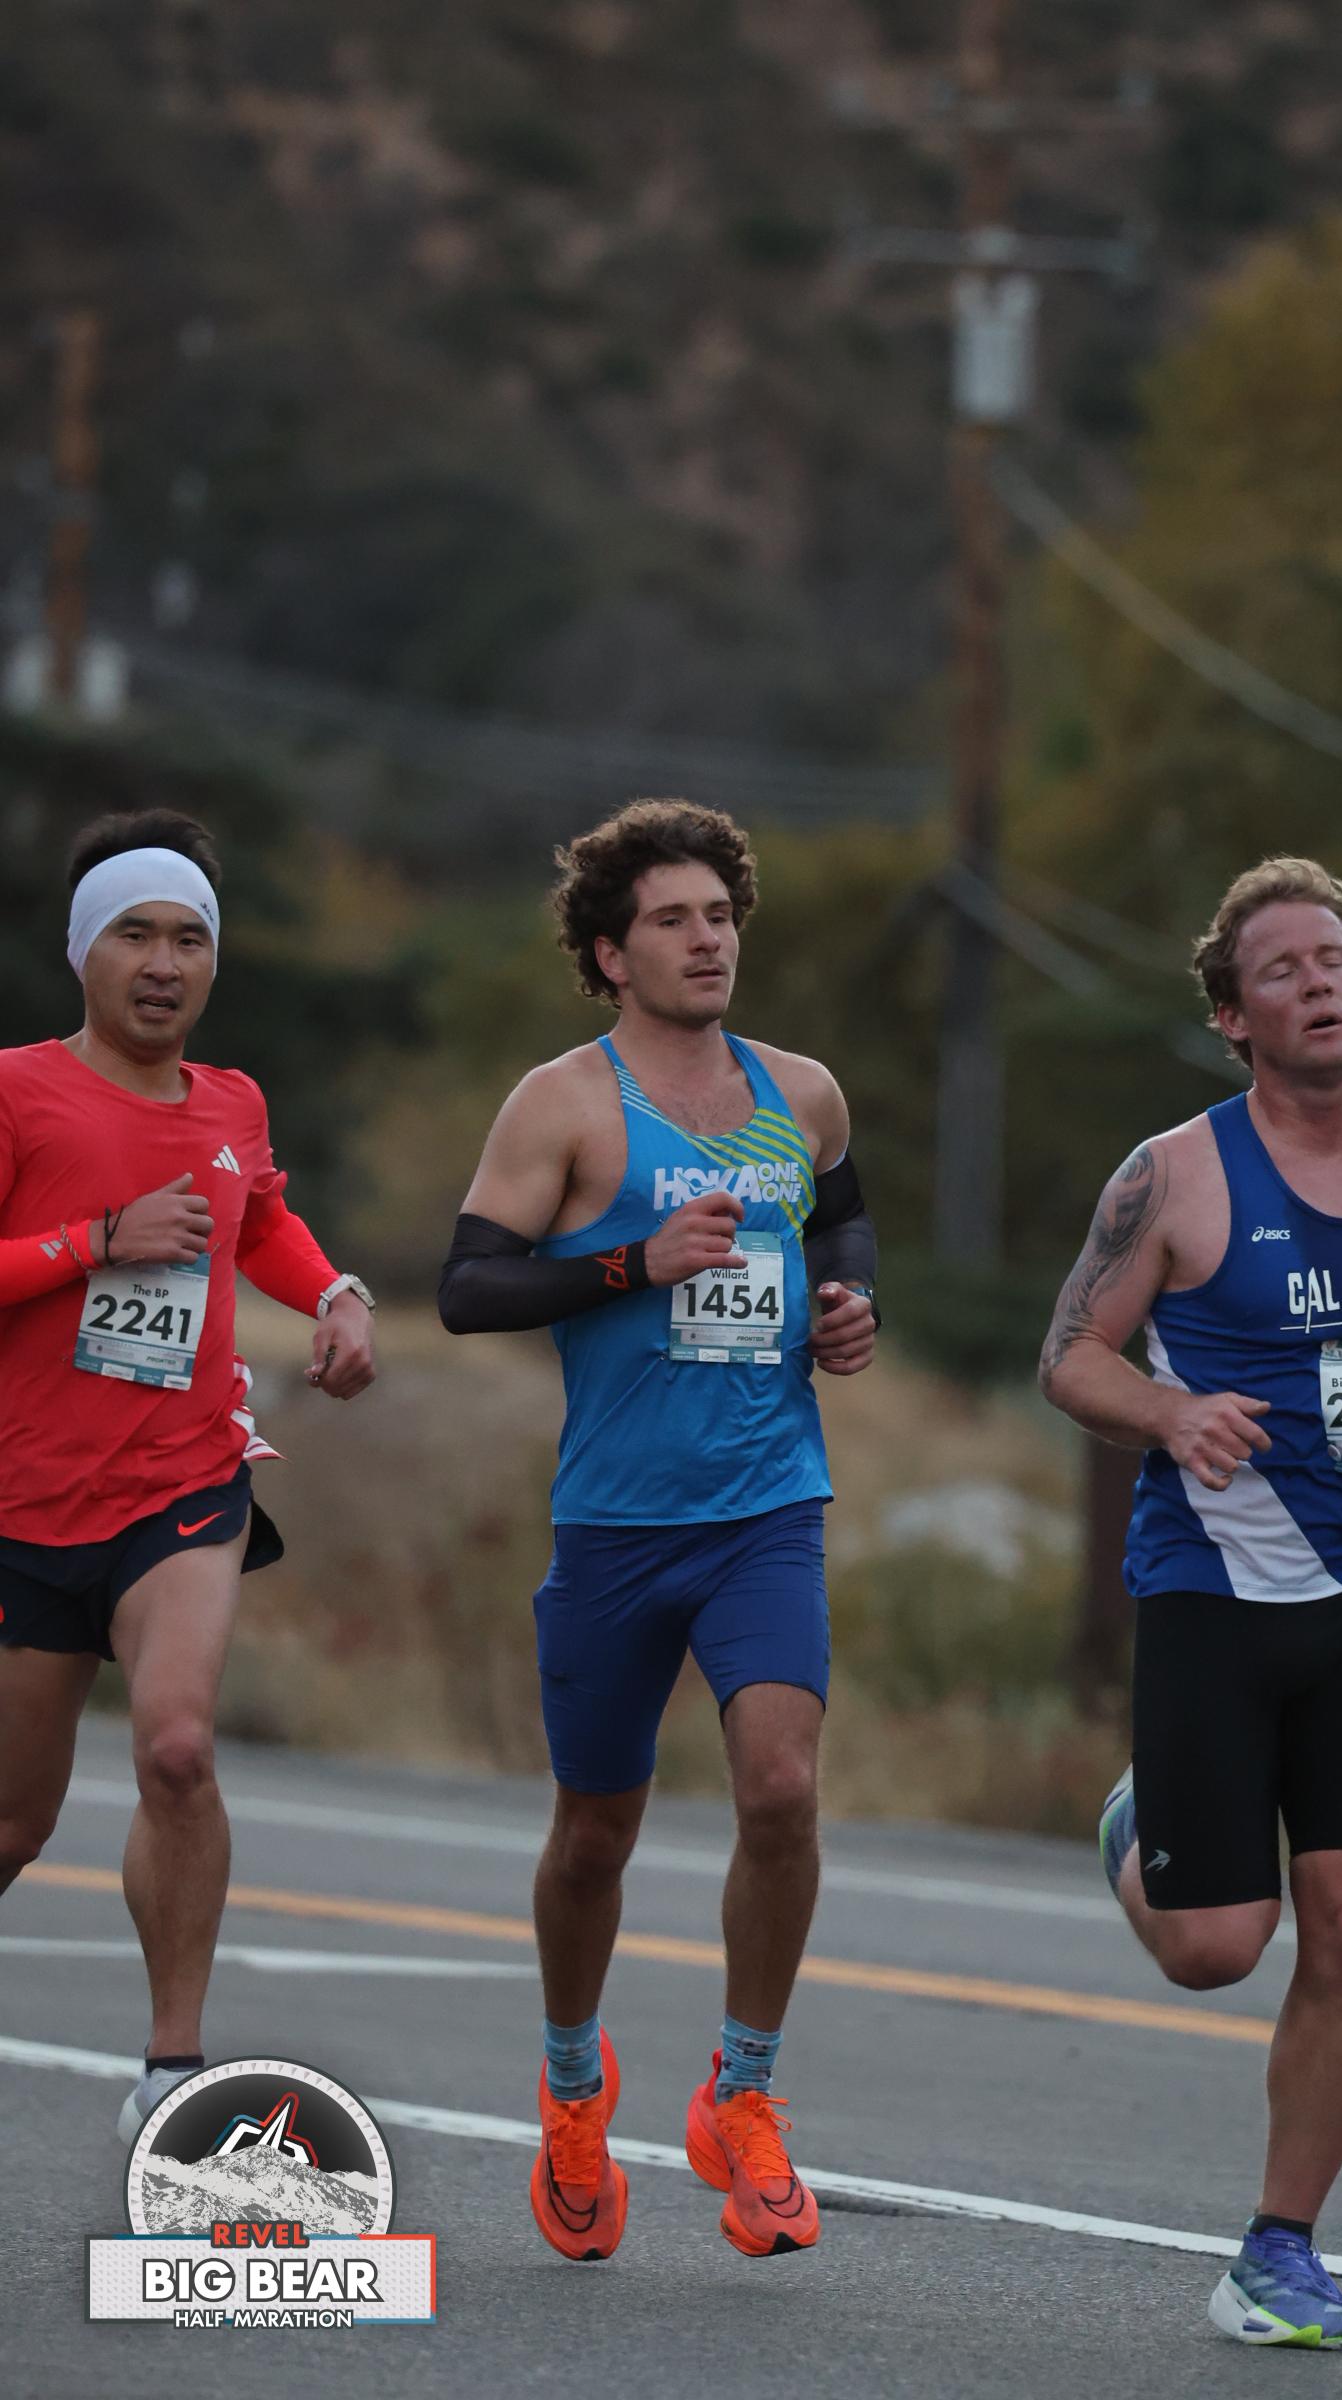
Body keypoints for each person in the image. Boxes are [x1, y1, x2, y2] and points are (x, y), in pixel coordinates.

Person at [1038, 856, 1342, 2350]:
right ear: (1232, 1017)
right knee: (1215, 1947)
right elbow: (1070, 1357)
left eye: (1334, 960)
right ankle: (1142, 1822)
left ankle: (1279, 2250)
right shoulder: (1175, 1176)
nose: (1317, 984)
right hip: (1215, 1586)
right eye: (1281, 970)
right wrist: (1171, 1414)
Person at [439, 798, 877, 2263]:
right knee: (592, 1838)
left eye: (722, 915)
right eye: (675, 921)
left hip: (768, 1506)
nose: (709, 940)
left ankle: (742, 2096)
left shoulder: (800, 1092)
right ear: (611, 954)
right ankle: (574, 2089)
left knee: (782, 1790)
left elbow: (842, 1219)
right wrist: (634, 1262)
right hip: (618, 1523)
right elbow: (468, 1288)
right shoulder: (563, 1104)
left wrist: (851, 1302)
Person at [0, 809, 377, 2141]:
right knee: (13, 1826)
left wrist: (332, 1292)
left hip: (183, 1485)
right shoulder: (18, 1091)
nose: (165, 964)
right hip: (25, 1504)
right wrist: (95, 1238)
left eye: (190, 940)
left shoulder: (232, 1103)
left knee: (175, 1748)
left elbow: (259, 1221)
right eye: (136, 935)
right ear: (84, 954)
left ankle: (172, 2066)